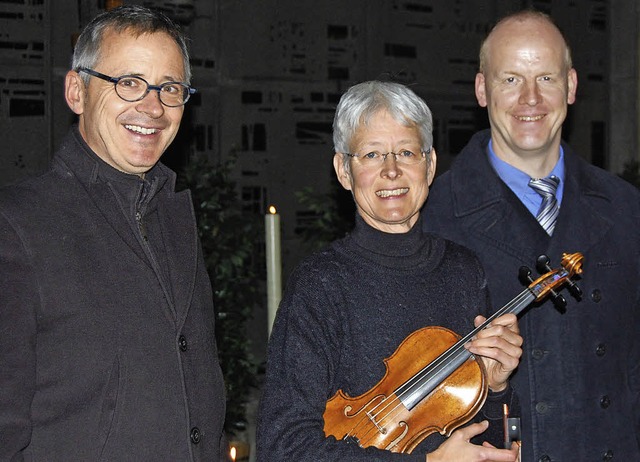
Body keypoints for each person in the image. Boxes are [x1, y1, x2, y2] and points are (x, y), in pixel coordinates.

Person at [0, 6, 229, 461]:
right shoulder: (17, 225)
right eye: (128, 82)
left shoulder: (175, 218)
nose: (152, 106)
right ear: (76, 91)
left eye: (170, 88)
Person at [257, 80, 522, 461]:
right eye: (371, 155)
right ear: (344, 171)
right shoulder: (320, 284)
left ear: (429, 165)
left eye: (406, 152)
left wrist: (495, 388)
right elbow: (282, 447)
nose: (392, 170)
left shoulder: (463, 270)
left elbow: (487, 443)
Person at [423, 9, 640, 461]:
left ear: (572, 86)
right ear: (482, 89)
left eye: (545, 78)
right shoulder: (432, 217)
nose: (530, 99)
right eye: (510, 80)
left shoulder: (625, 208)